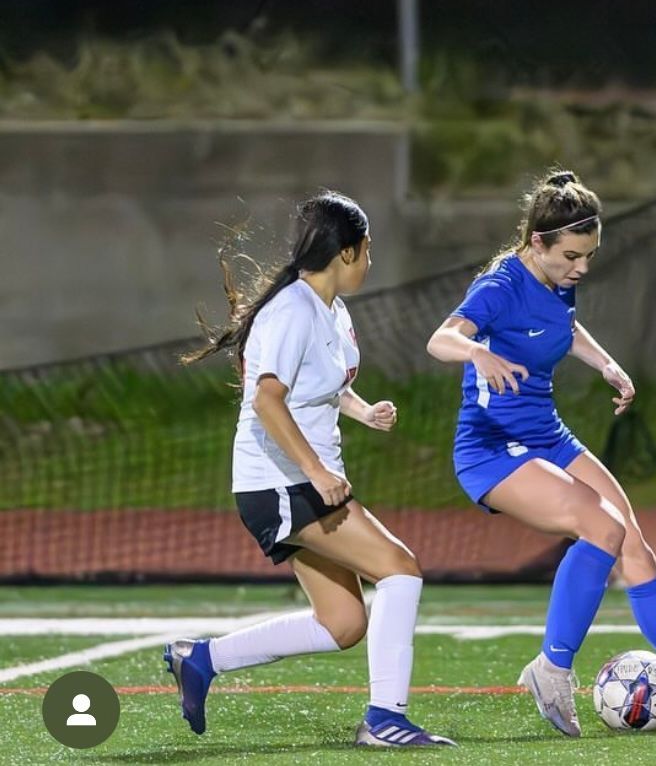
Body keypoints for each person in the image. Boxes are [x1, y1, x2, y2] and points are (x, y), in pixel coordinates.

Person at [426, 170, 656, 737]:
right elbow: (441, 338)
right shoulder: (501, 285)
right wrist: (476, 356)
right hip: (491, 447)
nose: (582, 266)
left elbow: (564, 323)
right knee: (602, 529)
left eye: (589, 254)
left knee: (633, 543)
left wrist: (605, 364)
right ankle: (552, 669)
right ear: (538, 242)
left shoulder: (559, 279)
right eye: (572, 255)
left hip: (548, 435)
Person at [169, 191, 454, 748]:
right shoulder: (292, 310)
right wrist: (317, 472)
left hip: (300, 481)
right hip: (282, 484)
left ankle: (200, 658)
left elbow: (323, 384)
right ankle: (385, 720)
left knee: (344, 623)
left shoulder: (331, 309)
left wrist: (362, 410)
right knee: (401, 568)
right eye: (367, 251)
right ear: (346, 253)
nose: (370, 262)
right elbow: (268, 400)